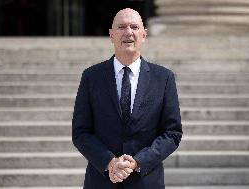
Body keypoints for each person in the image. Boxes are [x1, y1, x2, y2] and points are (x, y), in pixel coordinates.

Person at [72, 8, 183, 189]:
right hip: (102, 181)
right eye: (121, 27)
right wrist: (110, 163)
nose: (128, 32)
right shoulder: (91, 77)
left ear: (144, 34)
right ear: (111, 35)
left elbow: (172, 133)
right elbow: (81, 132)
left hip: (146, 182)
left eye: (134, 27)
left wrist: (137, 162)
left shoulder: (163, 78)